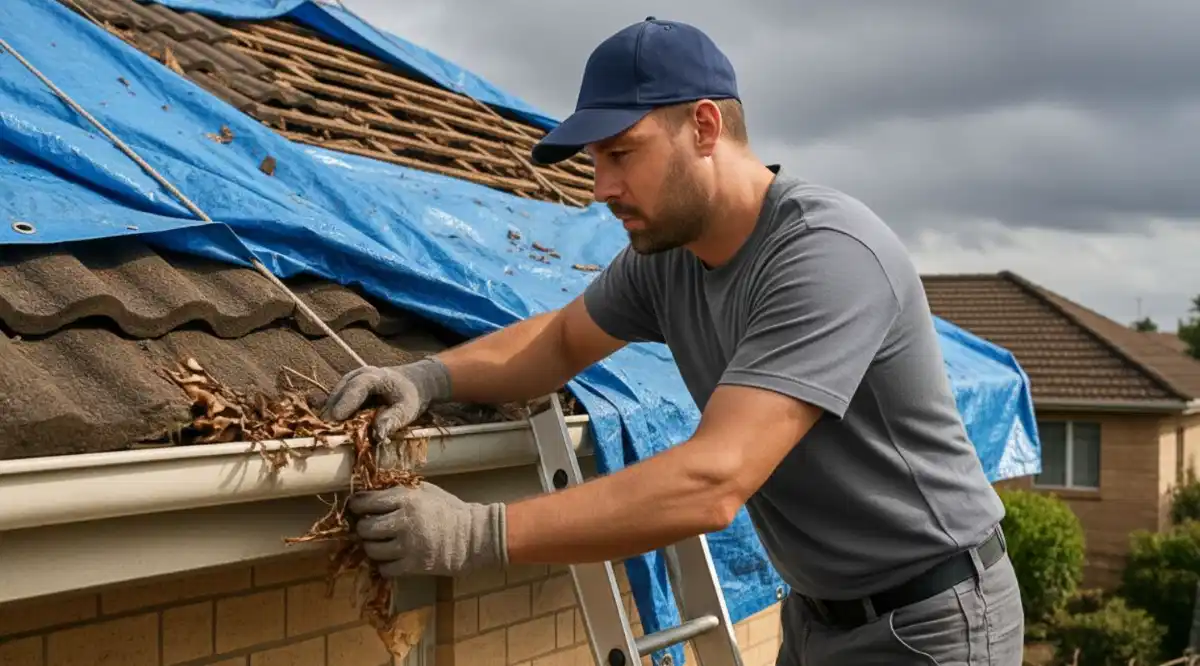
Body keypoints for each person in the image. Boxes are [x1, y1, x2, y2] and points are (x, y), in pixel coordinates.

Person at [320, 16, 1025, 666]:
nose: (601, 187)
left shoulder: (825, 256)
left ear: (706, 126)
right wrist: (429, 378)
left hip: (931, 621)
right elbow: (561, 341)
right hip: (816, 618)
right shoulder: (670, 260)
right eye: (596, 160)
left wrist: (477, 534)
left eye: (622, 154)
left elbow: (714, 479)